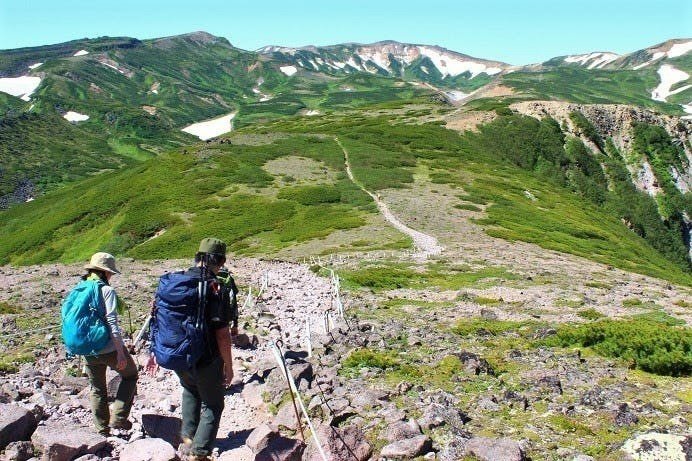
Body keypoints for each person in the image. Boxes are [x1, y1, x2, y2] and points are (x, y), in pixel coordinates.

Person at [147, 238, 236, 460]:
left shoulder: (175, 283)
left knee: (190, 389)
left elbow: (156, 318)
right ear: (221, 261)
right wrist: (229, 365)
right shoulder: (215, 287)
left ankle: (188, 435)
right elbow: (222, 334)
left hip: (176, 353)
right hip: (206, 357)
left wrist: (152, 350)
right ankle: (200, 452)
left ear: (197, 257)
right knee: (214, 404)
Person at [81, 252, 138, 436]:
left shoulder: (80, 288)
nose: (111, 276)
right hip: (107, 347)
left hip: (87, 348)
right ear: (105, 272)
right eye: (111, 273)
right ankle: (119, 417)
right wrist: (120, 351)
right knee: (130, 375)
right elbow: (112, 322)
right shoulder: (106, 291)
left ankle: (102, 430)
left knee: (97, 389)